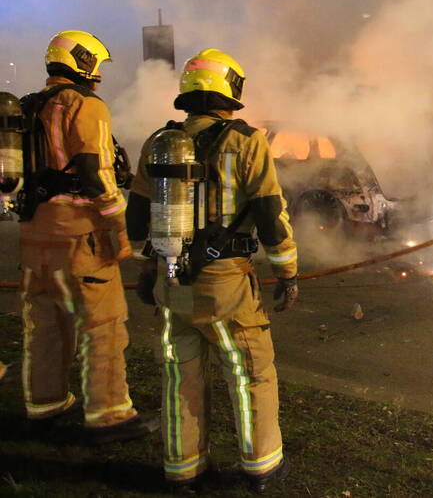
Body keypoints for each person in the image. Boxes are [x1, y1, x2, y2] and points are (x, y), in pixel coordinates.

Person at [127, 48, 298, 493]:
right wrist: (287, 272)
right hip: (225, 286)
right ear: (231, 90)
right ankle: (261, 466)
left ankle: (183, 470)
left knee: (180, 374)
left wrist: (148, 268)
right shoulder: (246, 141)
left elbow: (139, 213)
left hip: (171, 280)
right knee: (251, 373)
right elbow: (269, 212)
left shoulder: (159, 142)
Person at [19, 30, 157, 442]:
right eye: (96, 66)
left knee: (45, 323)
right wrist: (120, 230)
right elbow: (96, 176)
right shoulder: (85, 105)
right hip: (81, 235)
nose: (98, 76)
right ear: (83, 63)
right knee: (104, 325)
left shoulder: (26, 108)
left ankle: (44, 404)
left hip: (34, 232)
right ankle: (110, 414)